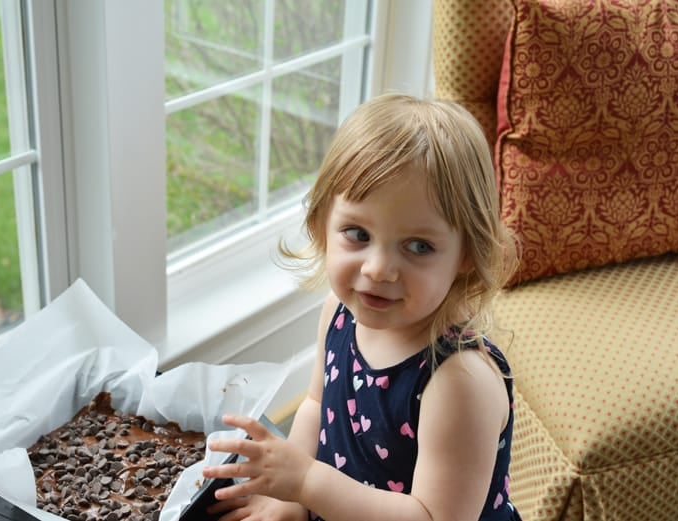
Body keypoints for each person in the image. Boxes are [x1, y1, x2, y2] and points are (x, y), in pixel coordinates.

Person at [202, 93, 522, 521]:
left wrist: (307, 482)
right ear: (322, 225)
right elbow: (315, 406)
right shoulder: (338, 312)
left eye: (418, 246)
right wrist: (290, 500)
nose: (379, 269)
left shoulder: (459, 382)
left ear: (466, 254)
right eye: (357, 233)